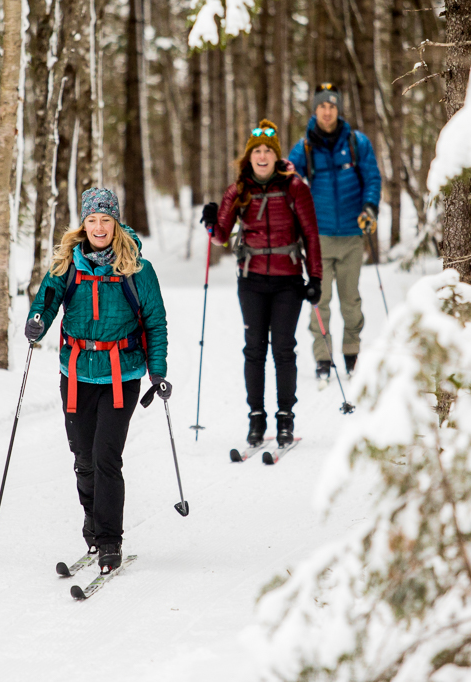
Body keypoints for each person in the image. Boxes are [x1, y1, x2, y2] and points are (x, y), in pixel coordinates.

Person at [25, 188, 169, 573]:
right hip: (75, 374)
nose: (99, 227)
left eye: (106, 219)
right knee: (83, 458)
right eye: (92, 219)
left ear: (116, 222)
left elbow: (155, 321)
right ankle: (92, 521)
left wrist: (158, 370)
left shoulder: (137, 268)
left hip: (122, 375)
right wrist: (36, 324)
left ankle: (109, 541)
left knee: (106, 458)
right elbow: (46, 302)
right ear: (84, 223)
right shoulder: (67, 265)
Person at [200, 119, 323, 449]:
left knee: (283, 349)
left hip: (288, 281)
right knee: (254, 349)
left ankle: (286, 418)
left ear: (276, 156)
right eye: (258, 151)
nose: (263, 156)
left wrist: (317, 279)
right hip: (251, 280)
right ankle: (257, 418)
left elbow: (311, 234)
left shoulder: (295, 187)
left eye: (269, 150)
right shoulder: (239, 190)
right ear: (249, 156)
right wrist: (211, 221)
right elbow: (221, 237)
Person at [287, 83, 382, 385]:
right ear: (315, 110)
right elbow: (288, 180)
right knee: (320, 300)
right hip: (319, 238)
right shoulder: (303, 148)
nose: (327, 111)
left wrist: (369, 207)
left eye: (332, 106)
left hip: (353, 235)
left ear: (338, 109)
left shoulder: (357, 142)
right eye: (322, 106)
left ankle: (352, 353)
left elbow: (372, 178)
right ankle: (323, 358)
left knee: (351, 300)